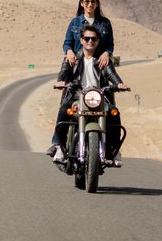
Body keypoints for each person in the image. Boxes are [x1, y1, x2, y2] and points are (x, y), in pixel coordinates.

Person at [48, 24, 128, 165]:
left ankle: (114, 150)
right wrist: (61, 81)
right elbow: (64, 71)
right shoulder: (72, 58)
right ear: (81, 40)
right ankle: (60, 147)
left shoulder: (103, 59)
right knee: (63, 111)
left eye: (94, 39)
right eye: (87, 38)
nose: (90, 41)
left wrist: (119, 84)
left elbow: (111, 74)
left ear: (98, 41)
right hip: (77, 96)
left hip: (99, 97)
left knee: (114, 113)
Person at [62, 0, 115, 70]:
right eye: (87, 1)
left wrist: (107, 53)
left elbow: (110, 44)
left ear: (97, 4)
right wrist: (69, 51)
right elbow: (67, 43)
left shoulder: (105, 23)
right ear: (82, 3)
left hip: (99, 67)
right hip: (78, 67)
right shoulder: (75, 22)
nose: (90, 4)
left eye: (93, 1)